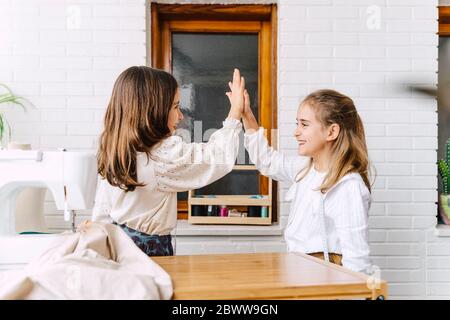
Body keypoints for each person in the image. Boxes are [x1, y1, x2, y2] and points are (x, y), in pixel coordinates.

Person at [92, 66, 246, 256]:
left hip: (117, 249)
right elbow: (217, 155)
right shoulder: (160, 155)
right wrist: (235, 112)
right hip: (148, 255)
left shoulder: (116, 149)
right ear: (152, 110)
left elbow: (102, 211)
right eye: (175, 107)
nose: (180, 116)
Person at [237, 88, 373, 273]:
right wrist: (246, 114)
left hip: (324, 278)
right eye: (297, 124)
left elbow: (357, 261)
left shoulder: (347, 186)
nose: (296, 132)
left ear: (331, 131)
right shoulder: (305, 169)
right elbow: (267, 160)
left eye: (304, 124)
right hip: (298, 271)